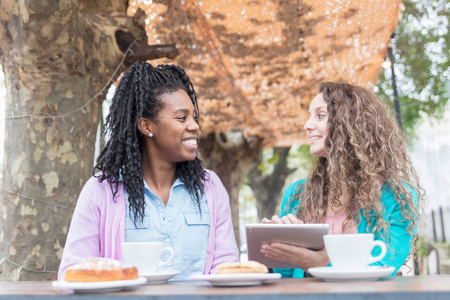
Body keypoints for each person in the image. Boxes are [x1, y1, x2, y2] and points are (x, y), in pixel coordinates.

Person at [58, 61, 239, 280]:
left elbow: (227, 269)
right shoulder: (102, 191)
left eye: (194, 117)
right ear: (147, 126)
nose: (194, 126)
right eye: (182, 118)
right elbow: (73, 272)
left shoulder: (210, 187)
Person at [261, 82, 423, 277]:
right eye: (309, 116)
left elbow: (382, 269)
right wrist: (281, 245)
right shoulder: (296, 194)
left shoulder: (396, 197)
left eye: (320, 116)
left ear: (350, 124)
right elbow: (284, 277)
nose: (307, 125)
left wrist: (320, 264)